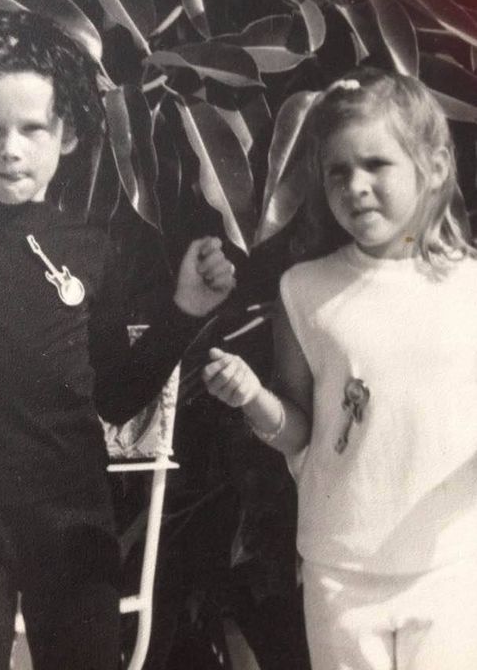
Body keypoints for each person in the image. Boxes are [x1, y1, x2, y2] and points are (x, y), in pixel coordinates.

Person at [0, 9, 235, 670]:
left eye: (33, 128)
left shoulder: (92, 249)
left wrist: (182, 311)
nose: (12, 148)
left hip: (73, 526)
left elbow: (118, 396)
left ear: (66, 136)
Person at [203, 68, 477, 670]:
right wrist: (251, 397)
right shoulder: (306, 290)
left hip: (452, 565)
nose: (355, 185)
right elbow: (299, 429)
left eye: (376, 164)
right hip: (339, 568)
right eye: (338, 172)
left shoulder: (471, 289)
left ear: (431, 168)